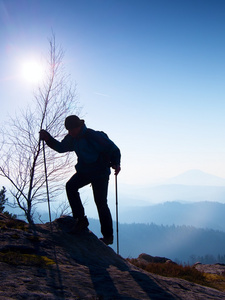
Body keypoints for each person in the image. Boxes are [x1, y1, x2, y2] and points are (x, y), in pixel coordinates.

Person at [40, 115, 121, 245]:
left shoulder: (93, 136)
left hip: (100, 173)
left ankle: (108, 237)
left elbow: (113, 149)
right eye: (68, 130)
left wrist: (116, 163)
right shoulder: (73, 138)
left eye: (71, 129)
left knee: (100, 203)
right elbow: (61, 148)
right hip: (85, 171)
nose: (69, 132)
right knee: (70, 186)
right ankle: (80, 220)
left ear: (79, 126)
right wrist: (48, 138)